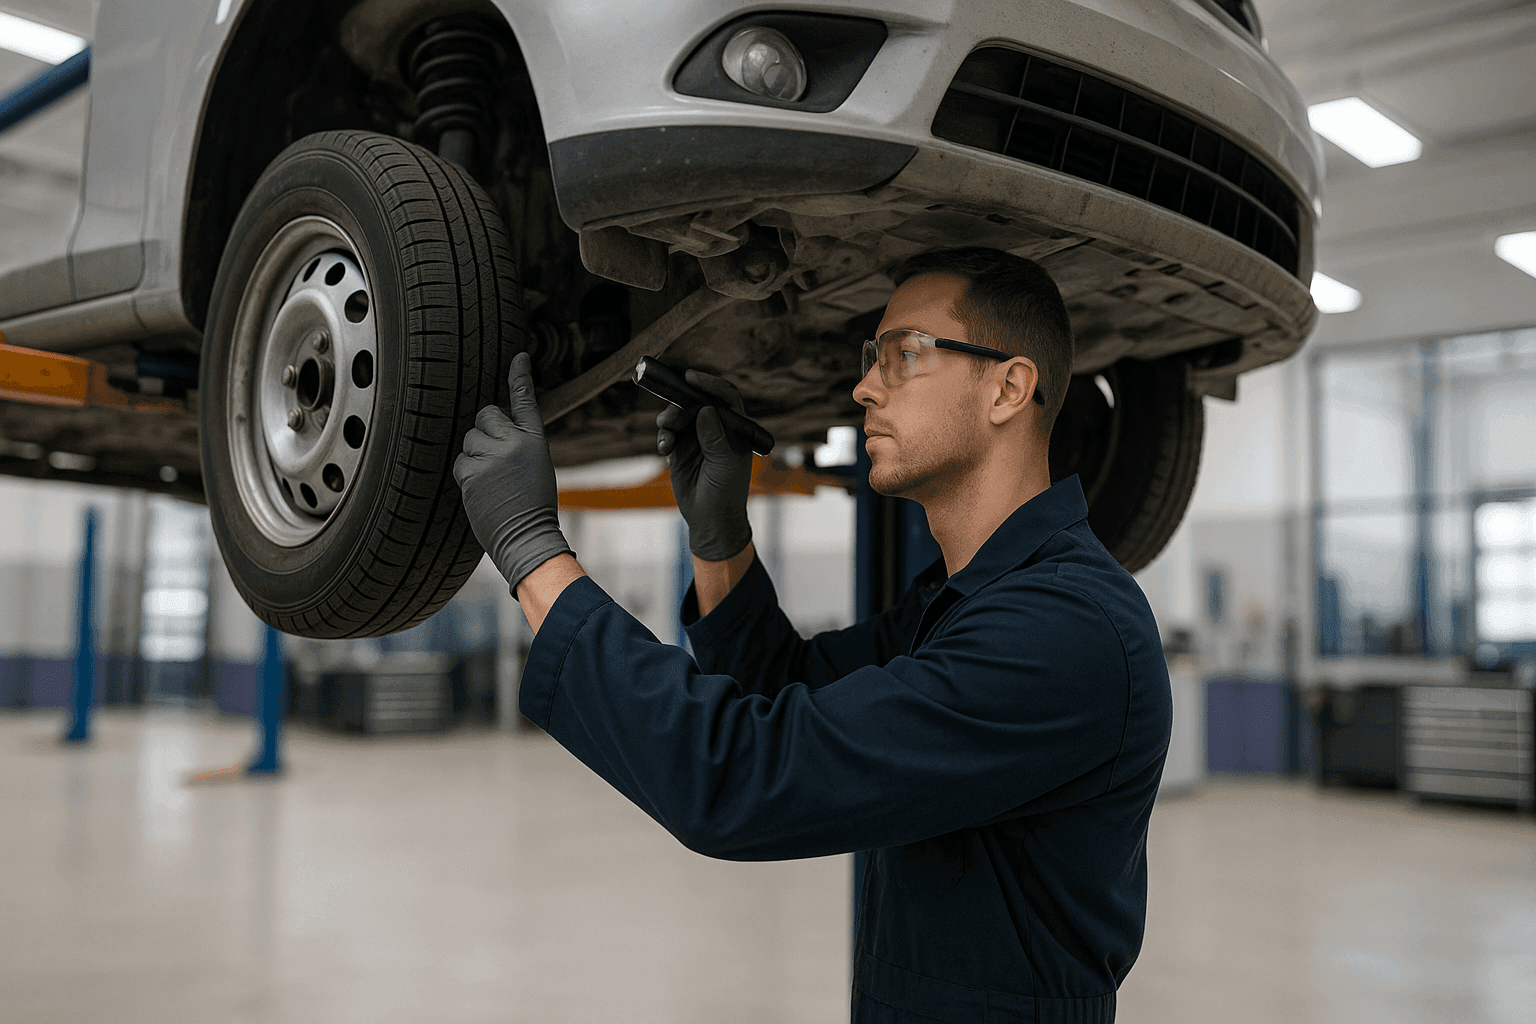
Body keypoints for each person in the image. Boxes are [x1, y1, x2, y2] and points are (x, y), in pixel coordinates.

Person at [453, 246, 1172, 1024]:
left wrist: (534, 555)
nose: (864, 387)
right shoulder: (973, 604)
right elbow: (787, 690)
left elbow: (744, 779)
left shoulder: (1061, 632)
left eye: (903, 355)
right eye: (872, 358)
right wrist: (720, 539)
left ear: (1008, 387)